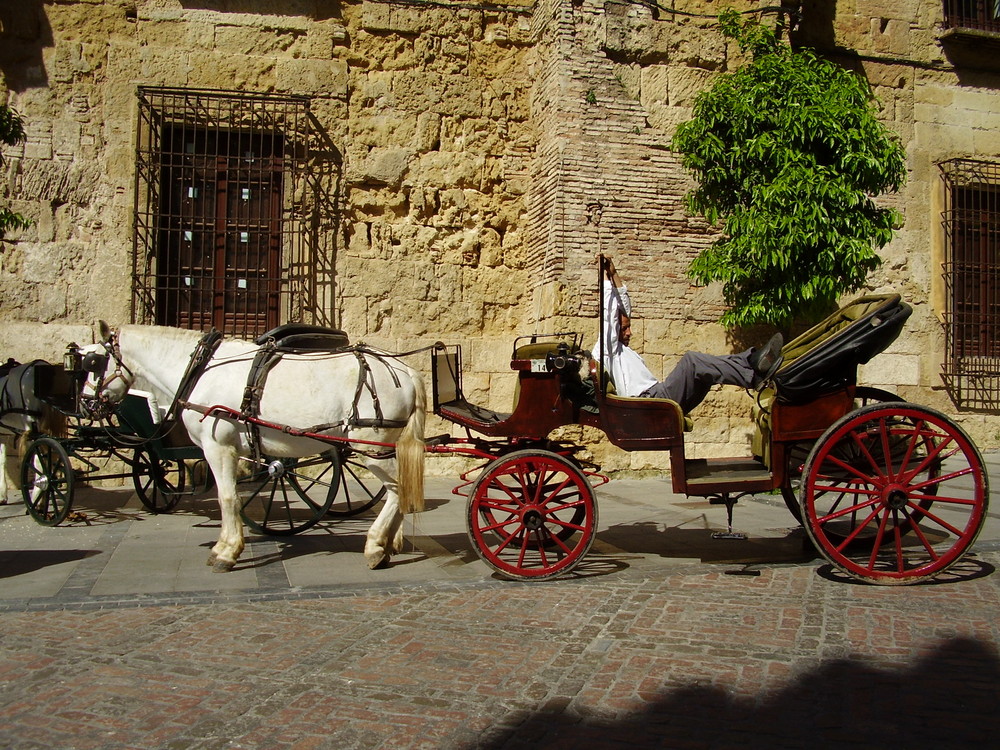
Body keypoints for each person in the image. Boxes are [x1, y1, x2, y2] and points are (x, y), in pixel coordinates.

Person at [593, 258, 783, 414]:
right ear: (614, 329)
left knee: (705, 369)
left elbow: (624, 309)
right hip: (647, 404)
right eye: (624, 329)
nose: (629, 332)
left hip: (653, 400)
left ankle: (751, 361)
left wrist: (614, 273)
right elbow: (609, 315)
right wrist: (604, 278)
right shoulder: (606, 350)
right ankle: (753, 376)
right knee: (692, 362)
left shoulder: (617, 349)